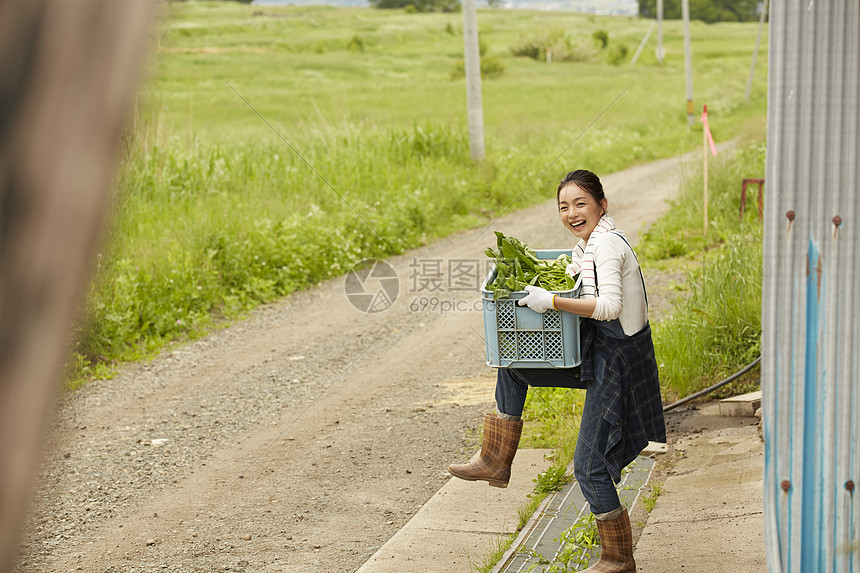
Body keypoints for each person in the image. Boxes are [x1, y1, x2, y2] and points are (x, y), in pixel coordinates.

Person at [448, 169, 666, 573]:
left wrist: (551, 299)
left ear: (603, 204)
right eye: (563, 206)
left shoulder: (607, 247)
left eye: (580, 203)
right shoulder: (588, 246)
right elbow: (586, 291)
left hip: (619, 361)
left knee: (588, 466)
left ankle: (618, 558)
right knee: (512, 366)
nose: (571, 213)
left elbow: (608, 308)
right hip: (600, 349)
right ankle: (496, 459)